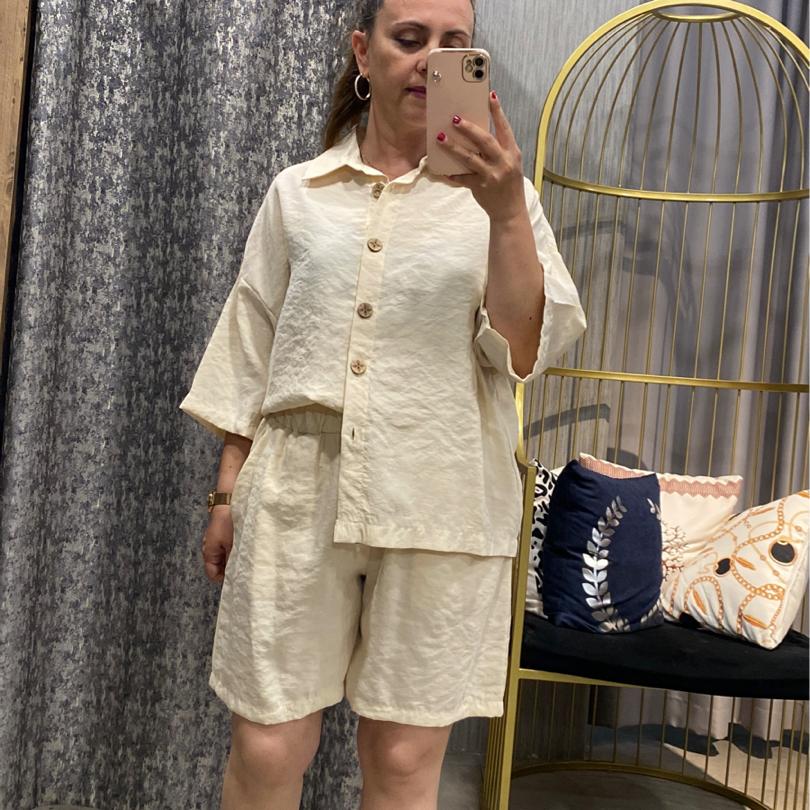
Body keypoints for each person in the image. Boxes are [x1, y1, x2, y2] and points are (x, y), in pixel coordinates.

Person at [179, 0, 586, 807]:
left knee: (402, 759)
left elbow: (522, 350)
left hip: (444, 493)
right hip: (297, 494)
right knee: (266, 745)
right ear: (364, 53)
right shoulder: (298, 194)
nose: (431, 59)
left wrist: (506, 212)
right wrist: (227, 492)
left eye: (454, 45)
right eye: (409, 39)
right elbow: (252, 347)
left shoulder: (504, 201)